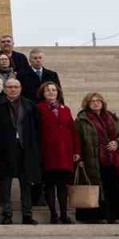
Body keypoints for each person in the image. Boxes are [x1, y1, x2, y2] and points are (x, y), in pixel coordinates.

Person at [0, 77, 42, 225]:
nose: (13, 89)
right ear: (4, 89)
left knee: (26, 184)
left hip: (25, 149)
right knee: (5, 184)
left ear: (20, 88)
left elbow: (36, 129)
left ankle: (27, 214)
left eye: (16, 87)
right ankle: (7, 214)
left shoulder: (30, 105)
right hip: (5, 150)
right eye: (9, 87)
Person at [76, 92, 119, 224]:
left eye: (98, 101)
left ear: (102, 103)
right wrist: (79, 158)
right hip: (93, 161)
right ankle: (101, 216)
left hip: (114, 160)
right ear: (87, 104)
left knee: (115, 187)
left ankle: (118, 215)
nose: (96, 103)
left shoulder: (112, 117)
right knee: (101, 189)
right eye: (92, 101)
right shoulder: (82, 120)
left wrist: (117, 142)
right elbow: (77, 140)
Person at [35, 81, 79, 224]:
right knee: (49, 185)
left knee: (62, 186)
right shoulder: (38, 108)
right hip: (47, 153)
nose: (51, 92)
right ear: (43, 93)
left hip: (65, 153)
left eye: (54, 90)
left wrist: (76, 150)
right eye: (48, 90)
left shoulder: (65, 109)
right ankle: (53, 214)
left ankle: (64, 214)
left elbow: (73, 131)